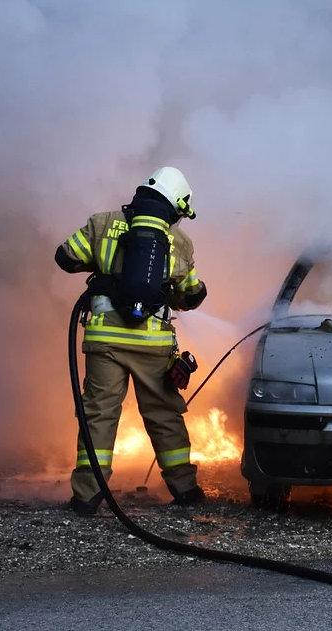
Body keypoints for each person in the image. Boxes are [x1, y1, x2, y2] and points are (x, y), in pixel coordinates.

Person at [56, 166, 208, 514]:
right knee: (164, 414)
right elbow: (190, 296)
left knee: (99, 414)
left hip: (104, 342)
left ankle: (87, 496)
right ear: (175, 204)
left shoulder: (102, 223)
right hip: (152, 345)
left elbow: (65, 257)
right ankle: (185, 489)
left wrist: (107, 274)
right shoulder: (180, 242)